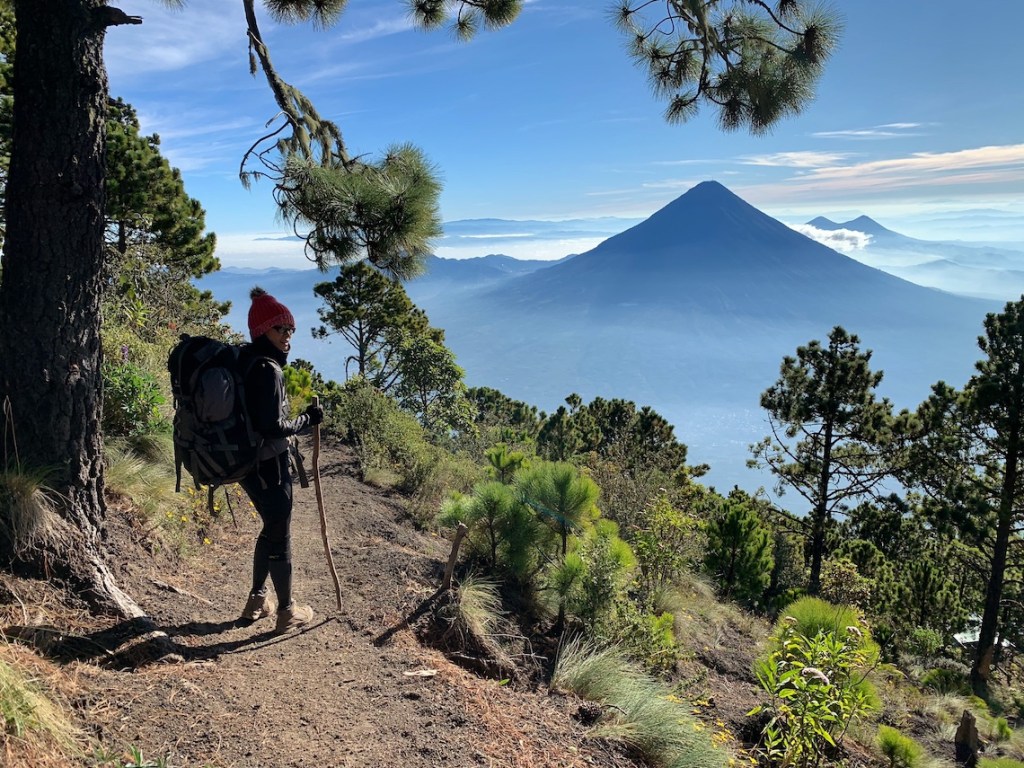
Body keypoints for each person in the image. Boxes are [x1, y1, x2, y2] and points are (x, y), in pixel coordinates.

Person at [237, 286, 323, 634]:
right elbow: (272, 427)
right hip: (269, 465)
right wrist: (307, 420)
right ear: (262, 331)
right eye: (280, 329)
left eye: (291, 330)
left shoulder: (243, 359)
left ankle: (257, 600)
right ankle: (287, 611)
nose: (288, 337)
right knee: (281, 536)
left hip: (245, 463)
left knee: (270, 529)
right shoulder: (268, 370)